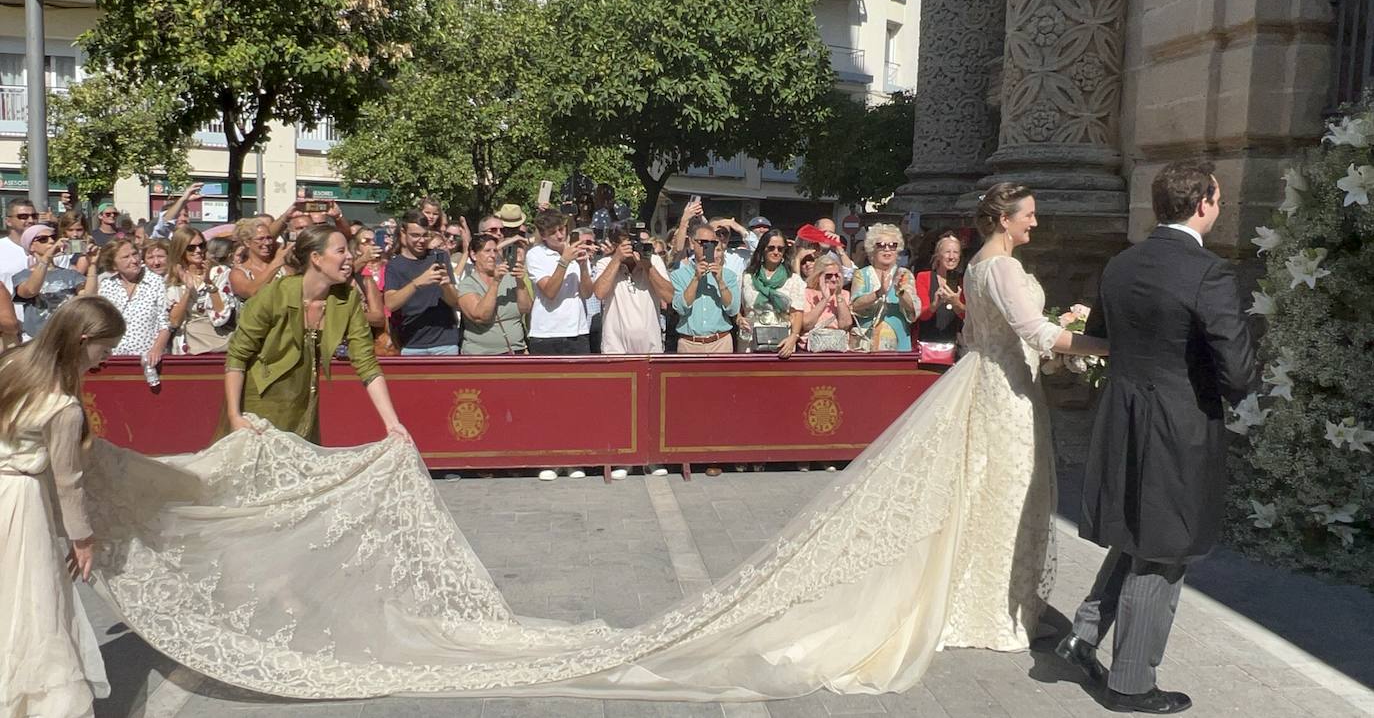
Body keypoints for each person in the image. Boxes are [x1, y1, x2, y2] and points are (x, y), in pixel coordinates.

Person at [77, 181, 1115, 704]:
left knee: (294, 526)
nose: (350, 256)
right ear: (317, 250)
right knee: (245, 508)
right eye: (341, 246)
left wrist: (395, 436)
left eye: (350, 249)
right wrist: (237, 421)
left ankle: (282, 611)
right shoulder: (272, 301)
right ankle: (240, 592)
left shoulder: (343, 303)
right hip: (259, 418)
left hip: (303, 424)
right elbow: (230, 356)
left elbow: (367, 366)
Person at [1057, 163, 1257, 714]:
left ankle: (1084, 635)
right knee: (1164, 549)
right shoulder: (1208, 272)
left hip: (1123, 414)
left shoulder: (1121, 263)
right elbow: (1237, 372)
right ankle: (1130, 683)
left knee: (1137, 530)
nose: (1218, 207)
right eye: (1217, 198)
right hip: (1179, 421)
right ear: (1202, 204)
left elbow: (1100, 334)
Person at [0, 295, 122, 716]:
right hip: (20, 503)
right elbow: (69, 482)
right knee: (34, 607)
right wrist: (82, 539)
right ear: (83, 340)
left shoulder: (12, 364)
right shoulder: (63, 406)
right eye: (103, 351)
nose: (103, 361)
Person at [223, 224, 408, 443]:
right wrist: (234, 416)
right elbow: (237, 356)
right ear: (316, 258)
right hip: (257, 412)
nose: (350, 256)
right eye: (341, 251)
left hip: (304, 410)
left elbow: (366, 363)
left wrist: (393, 423)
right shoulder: (275, 294)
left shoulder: (347, 299)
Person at [383, 211, 462, 356]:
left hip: (445, 342)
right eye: (415, 235)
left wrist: (445, 286)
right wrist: (417, 283)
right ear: (403, 233)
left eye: (425, 235)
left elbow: (455, 302)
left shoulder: (439, 257)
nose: (421, 241)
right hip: (412, 343)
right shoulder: (394, 265)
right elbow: (390, 303)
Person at [593, 225, 673, 355]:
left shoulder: (654, 261)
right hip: (615, 349)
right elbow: (599, 293)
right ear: (615, 245)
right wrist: (617, 259)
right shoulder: (605, 263)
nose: (632, 246)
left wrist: (648, 267)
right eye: (627, 243)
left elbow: (668, 297)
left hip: (650, 349)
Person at [525, 209, 593, 355]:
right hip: (545, 333)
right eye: (553, 232)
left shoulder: (577, 250)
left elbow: (587, 293)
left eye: (562, 229)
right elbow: (550, 292)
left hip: (577, 331)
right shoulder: (535, 254)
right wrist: (564, 261)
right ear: (543, 235)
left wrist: (583, 267)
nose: (560, 235)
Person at [93, 239, 172, 364]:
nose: (134, 260)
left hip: (147, 358)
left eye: (135, 254)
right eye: (126, 257)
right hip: (114, 358)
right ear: (114, 265)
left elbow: (166, 323)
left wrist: (157, 349)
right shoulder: (107, 285)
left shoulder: (155, 282)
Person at [11, 224, 96, 339]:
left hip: (67, 337)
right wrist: (47, 257)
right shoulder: (23, 275)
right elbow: (30, 291)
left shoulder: (71, 274)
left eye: (53, 237)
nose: (51, 241)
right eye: (43, 239)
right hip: (37, 339)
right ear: (31, 247)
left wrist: (93, 264)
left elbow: (88, 298)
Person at [165, 226, 237, 355]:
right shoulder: (173, 279)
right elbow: (174, 322)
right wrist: (188, 290)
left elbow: (221, 316)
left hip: (215, 341)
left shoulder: (220, 272)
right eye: (191, 247)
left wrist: (209, 283)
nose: (198, 250)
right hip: (185, 346)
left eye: (202, 245)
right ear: (180, 250)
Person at [457, 234, 532, 355]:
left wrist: (520, 282)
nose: (493, 255)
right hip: (482, 355)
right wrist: (495, 283)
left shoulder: (509, 278)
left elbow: (526, 308)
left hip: (516, 351)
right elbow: (481, 316)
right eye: (487, 251)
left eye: (495, 251)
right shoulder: (467, 284)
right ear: (473, 255)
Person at [849, 223, 920, 352]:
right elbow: (854, 305)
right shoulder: (861, 274)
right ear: (872, 249)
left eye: (893, 245)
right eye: (881, 245)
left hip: (899, 343)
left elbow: (913, 309)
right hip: (866, 343)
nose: (887, 249)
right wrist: (878, 293)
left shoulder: (904, 274)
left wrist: (901, 292)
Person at [670, 222, 739, 354]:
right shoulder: (678, 275)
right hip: (689, 343)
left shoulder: (728, 275)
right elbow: (680, 308)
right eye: (702, 242)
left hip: (720, 342)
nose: (707, 247)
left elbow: (733, 310)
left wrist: (720, 281)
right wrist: (695, 278)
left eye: (712, 243)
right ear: (692, 243)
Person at [737, 229, 803, 356]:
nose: (776, 252)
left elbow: (797, 314)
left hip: (782, 342)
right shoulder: (747, 277)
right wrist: (739, 319)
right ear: (763, 250)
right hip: (750, 342)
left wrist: (793, 338)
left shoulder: (793, 280)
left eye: (780, 249)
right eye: (771, 248)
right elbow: (739, 309)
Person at [914, 231, 966, 361]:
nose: (951, 257)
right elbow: (920, 314)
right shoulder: (924, 277)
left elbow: (968, 316)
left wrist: (956, 303)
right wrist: (934, 305)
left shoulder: (963, 281)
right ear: (938, 255)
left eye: (955, 252)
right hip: (928, 344)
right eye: (947, 252)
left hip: (954, 346)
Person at [798, 255, 853, 352]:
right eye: (828, 276)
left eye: (837, 275)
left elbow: (845, 325)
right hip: (810, 349)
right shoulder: (808, 293)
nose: (833, 279)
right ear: (818, 276)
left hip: (837, 347)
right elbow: (806, 324)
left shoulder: (844, 295)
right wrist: (825, 299)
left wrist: (838, 294)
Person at [228, 218, 288, 301]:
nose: (267, 243)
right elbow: (251, 292)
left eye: (269, 238)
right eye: (260, 239)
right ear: (247, 243)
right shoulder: (239, 273)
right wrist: (276, 263)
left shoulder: (284, 267)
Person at [0, 200, 37, 285]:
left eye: (34, 216)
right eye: (23, 216)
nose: (31, 220)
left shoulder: (48, 248)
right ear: (8, 221)